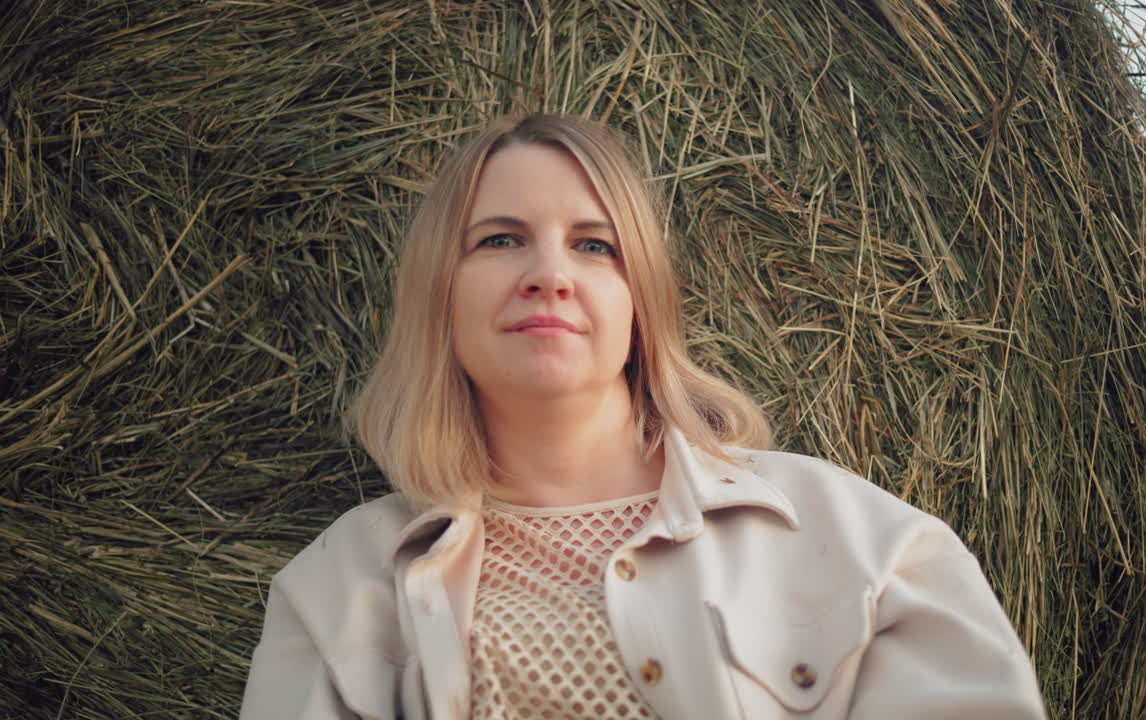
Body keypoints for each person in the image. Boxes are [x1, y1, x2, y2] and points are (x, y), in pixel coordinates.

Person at [239, 113, 1047, 719]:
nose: (549, 273)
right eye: (499, 240)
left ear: (643, 301)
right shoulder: (336, 589)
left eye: (595, 245)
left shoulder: (863, 543)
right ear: (437, 295)